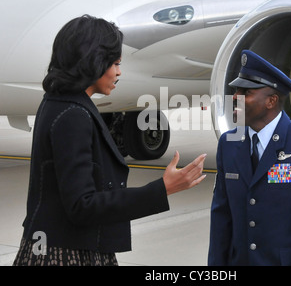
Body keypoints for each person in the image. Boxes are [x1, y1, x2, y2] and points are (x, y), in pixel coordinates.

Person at [13, 14, 206, 266]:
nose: (118, 72)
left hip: (58, 246)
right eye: (114, 63)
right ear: (92, 62)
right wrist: (162, 189)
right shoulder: (73, 114)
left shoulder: (57, 102)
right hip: (67, 254)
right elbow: (82, 206)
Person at [208, 50, 291, 266]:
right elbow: (221, 220)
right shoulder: (228, 144)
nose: (235, 98)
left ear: (271, 101)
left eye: (245, 92)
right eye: (236, 90)